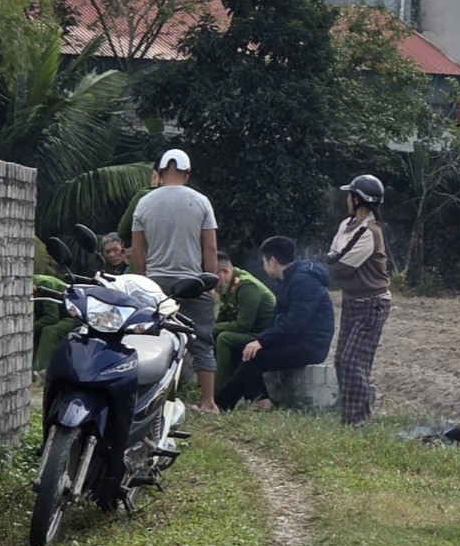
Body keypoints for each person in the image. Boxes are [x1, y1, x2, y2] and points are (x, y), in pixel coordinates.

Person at [131, 149, 221, 412]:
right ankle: (208, 402)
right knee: (202, 341)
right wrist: (210, 281)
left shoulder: (144, 202)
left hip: (157, 285)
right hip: (193, 282)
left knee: (152, 338)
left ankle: (150, 400)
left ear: (158, 173)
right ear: (187, 174)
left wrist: (143, 281)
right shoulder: (201, 201)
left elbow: (138, 250)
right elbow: (211, 248)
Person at [217, 237, 335, 412]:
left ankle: (220, 405)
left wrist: (262, 341)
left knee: (253, 357)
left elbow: (294, 322)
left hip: (310, 345)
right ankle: (262, 401)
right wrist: (260, 339)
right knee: (239, 348)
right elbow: (280, 319)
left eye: (264, 261)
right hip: (293, 340)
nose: (264, 266)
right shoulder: (288, 280)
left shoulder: (303, 281)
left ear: (272, 261)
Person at [326, 174, 392, 426]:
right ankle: (351, 416)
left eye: (349, 195)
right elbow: (334, 254)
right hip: (353, 300)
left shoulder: (369, 232)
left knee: (354, 361)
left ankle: (357, 420)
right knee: (343, 359)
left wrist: (326, 266)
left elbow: (341, 264)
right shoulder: (348, 225)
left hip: (371, 302)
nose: (347, 199)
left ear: (357, 199)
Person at [213, 251, 277, 389]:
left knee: (225, 338)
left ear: (224, 271)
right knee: (211, 335)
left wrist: (210, 328)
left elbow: (242, 326)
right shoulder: (226, 286)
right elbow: (222, 319)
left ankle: (218, 393)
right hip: (250, 334)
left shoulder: (247, 286)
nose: (211, 285)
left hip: (263, 336)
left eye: (211, 278)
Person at [32, 273, 77, 372]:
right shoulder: (36, 281)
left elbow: (52, 318)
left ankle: (41, 371)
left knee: (49, 331)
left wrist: (30, 327)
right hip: (61, 315)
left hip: (74, 316)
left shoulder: (45, 284)